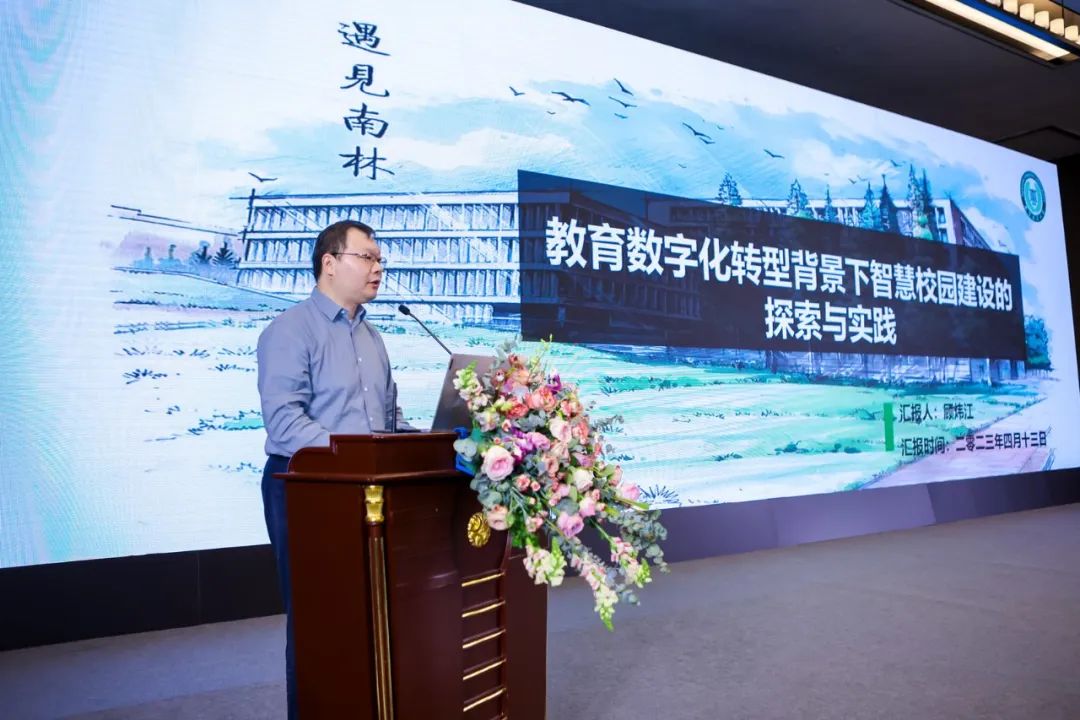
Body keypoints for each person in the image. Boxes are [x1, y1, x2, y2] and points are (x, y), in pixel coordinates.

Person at [256, 219, 406, 719]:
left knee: (370, 612)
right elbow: (285, 421)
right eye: (367, 258)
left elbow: (387, 420)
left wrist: (436, 438)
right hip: (306, 488)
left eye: (380, 260)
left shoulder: (373, 336)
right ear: (330, 263)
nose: (378, 269)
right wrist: (356, 452)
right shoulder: (290, 330)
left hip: (370, 490)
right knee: (318, 619)